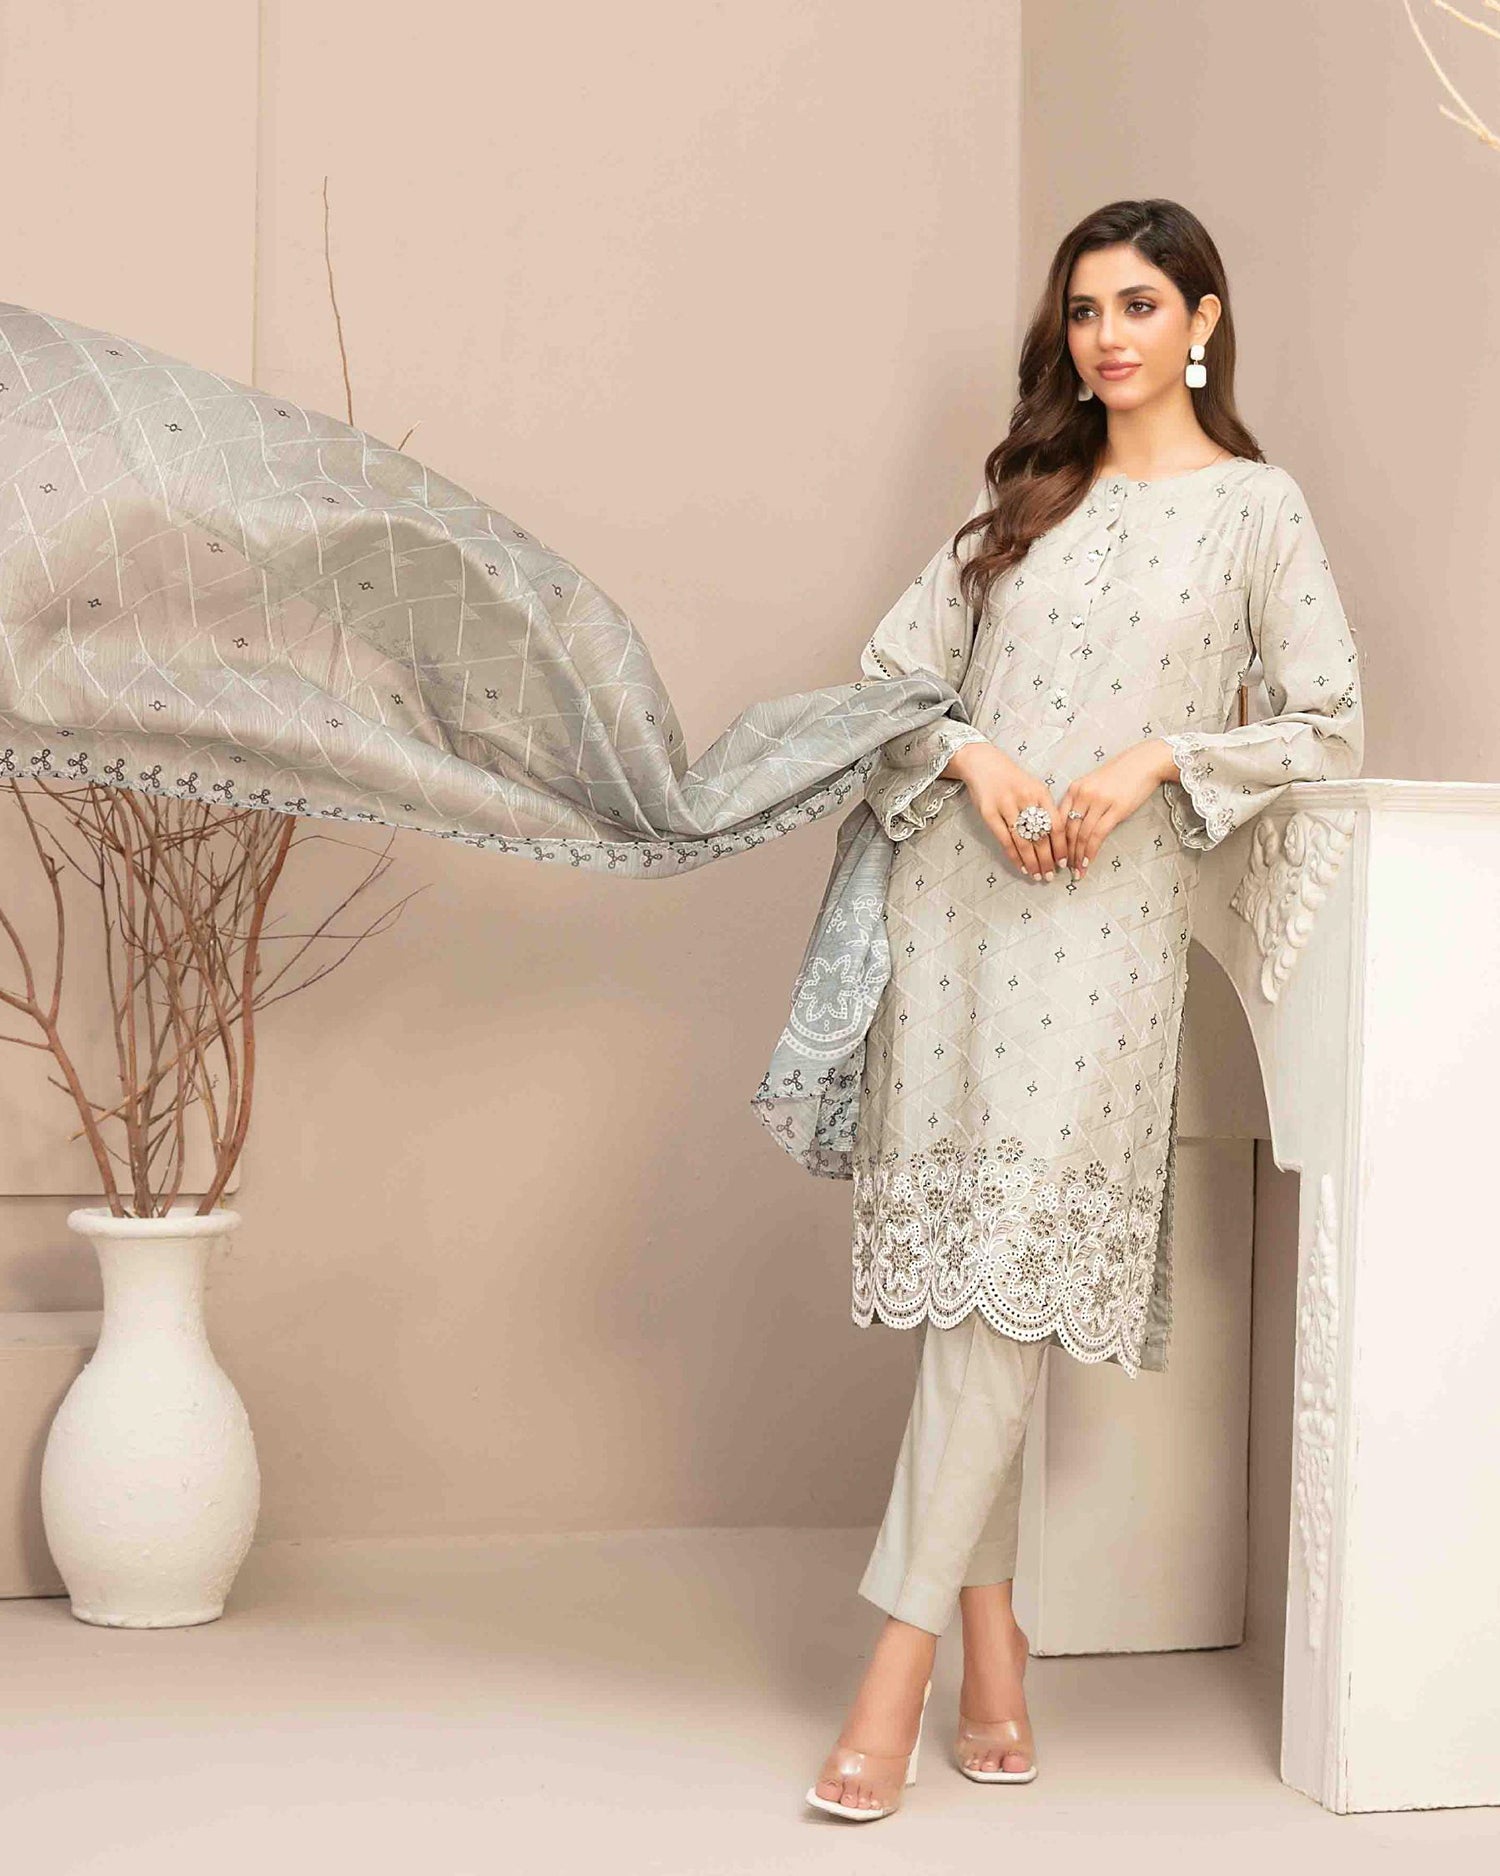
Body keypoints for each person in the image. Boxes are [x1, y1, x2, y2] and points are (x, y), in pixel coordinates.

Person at [805, 197, 1365, 1822]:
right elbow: (890, 680)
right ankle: (994, 1652)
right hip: (956, 916)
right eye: (1084, 310)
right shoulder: (1025, 504)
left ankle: (894, 1670)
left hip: (1104, 929)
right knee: (970, 1298)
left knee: (1005, 1290)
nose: (1107, 336)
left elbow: (1326, 719)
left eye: (1138, 305)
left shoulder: (1257, 511)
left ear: (1203, 321)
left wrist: (1159, 758)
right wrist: (977, 757)